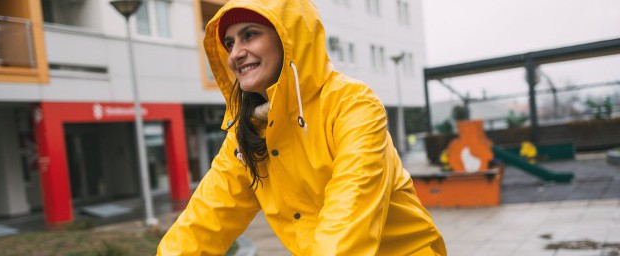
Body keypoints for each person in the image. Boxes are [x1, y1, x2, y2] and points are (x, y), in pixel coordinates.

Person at [157, 0, 446, 255]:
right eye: (230, 43)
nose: (235, 54)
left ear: (288, 38)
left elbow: (349, 212)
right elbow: (204, 219)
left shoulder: (353, 104)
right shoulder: (247, 133)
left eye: (250, 35)